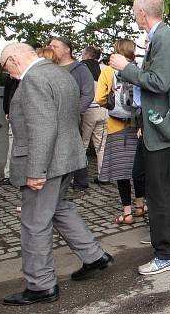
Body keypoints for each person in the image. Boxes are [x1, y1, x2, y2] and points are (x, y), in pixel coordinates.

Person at [0, 43, 114, 306]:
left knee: (34, 221)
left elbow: (42, 127)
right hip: (67, 158)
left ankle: (41, 285)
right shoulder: (60, 73)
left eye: (5, 67)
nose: (8, 73)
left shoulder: (33, 80)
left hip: (46, 163)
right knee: (60, 208)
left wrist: (36, 170)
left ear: (14, 59)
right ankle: (94, 256)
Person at [109, 0, 170, 275]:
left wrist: (127, 68)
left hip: (162, 127)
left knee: (157, 191)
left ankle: (167, 254)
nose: (134, 16)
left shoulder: (162, 38)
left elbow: (158, 83)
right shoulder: (164, 36)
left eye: (134, 11)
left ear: (142, 13)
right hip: (166, 126)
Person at [96, 39, 146, 225]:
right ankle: (140, 205)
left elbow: (99, 97)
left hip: (116, 127)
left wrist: (110, 104)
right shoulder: (136, 70)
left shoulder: (108, 71)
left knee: (121, 173)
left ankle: (127, 213)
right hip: (138, 127)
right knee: (137, 169)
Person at [48, 36, 96, 198]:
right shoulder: (50, 67)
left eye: (55, 46)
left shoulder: (79, 68)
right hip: (50, 117)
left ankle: (80, 184)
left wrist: (75, 112)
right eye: (50, 46)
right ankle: (56, 183)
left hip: (71, 118)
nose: (51, 48)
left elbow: (88, 93)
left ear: (67, 49)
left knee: (74, 149)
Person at [79, 45, 110, 185]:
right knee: (101, 145)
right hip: (104, 109)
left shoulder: (81, 68)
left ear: (87, 55)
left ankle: (80, 178)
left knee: (82, 144)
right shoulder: (106, 69)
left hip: (88, 110)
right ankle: (103, 176)